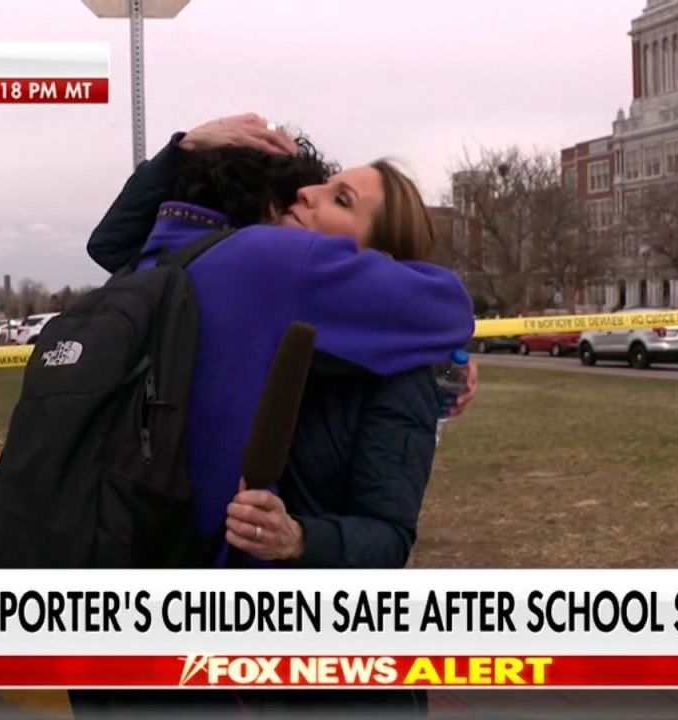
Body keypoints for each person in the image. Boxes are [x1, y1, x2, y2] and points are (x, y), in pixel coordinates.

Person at [76, 114, 476, 718]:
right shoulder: (258, 291)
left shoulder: (380, 367)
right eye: (309, 189)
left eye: (340, 199)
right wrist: (452, 356)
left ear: (375, 263)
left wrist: (299, 539)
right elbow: (446, 311)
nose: (303, 196)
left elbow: (388, 536)